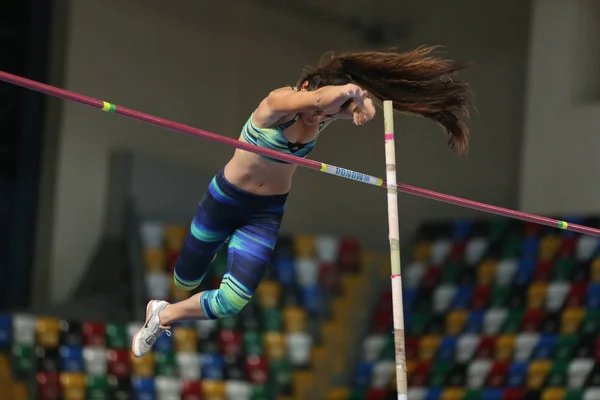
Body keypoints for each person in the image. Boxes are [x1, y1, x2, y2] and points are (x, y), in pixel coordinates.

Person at [131, 45, 473, 357]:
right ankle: (172, 298)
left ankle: (164, 314)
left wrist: (362, 103)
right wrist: (349, 94)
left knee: (233, 300)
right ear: (307, 88)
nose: (319, 119)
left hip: (264, 214)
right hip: (224, 201)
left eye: (327, 116)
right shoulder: (277, 102)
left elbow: (335, 105)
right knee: (184, 280)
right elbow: (321, 101)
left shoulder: (324, 112)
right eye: (319, 110)